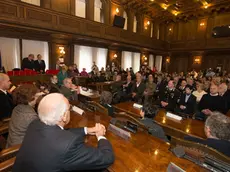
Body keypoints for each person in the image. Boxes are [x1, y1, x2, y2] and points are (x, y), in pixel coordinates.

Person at [13, 93, 114, 171]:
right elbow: (107, 158)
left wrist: (87, 130)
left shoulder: (35, 124)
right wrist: (100, 136)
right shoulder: (69, 145)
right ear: (64, 116)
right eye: (69, 108)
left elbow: (60, 133)